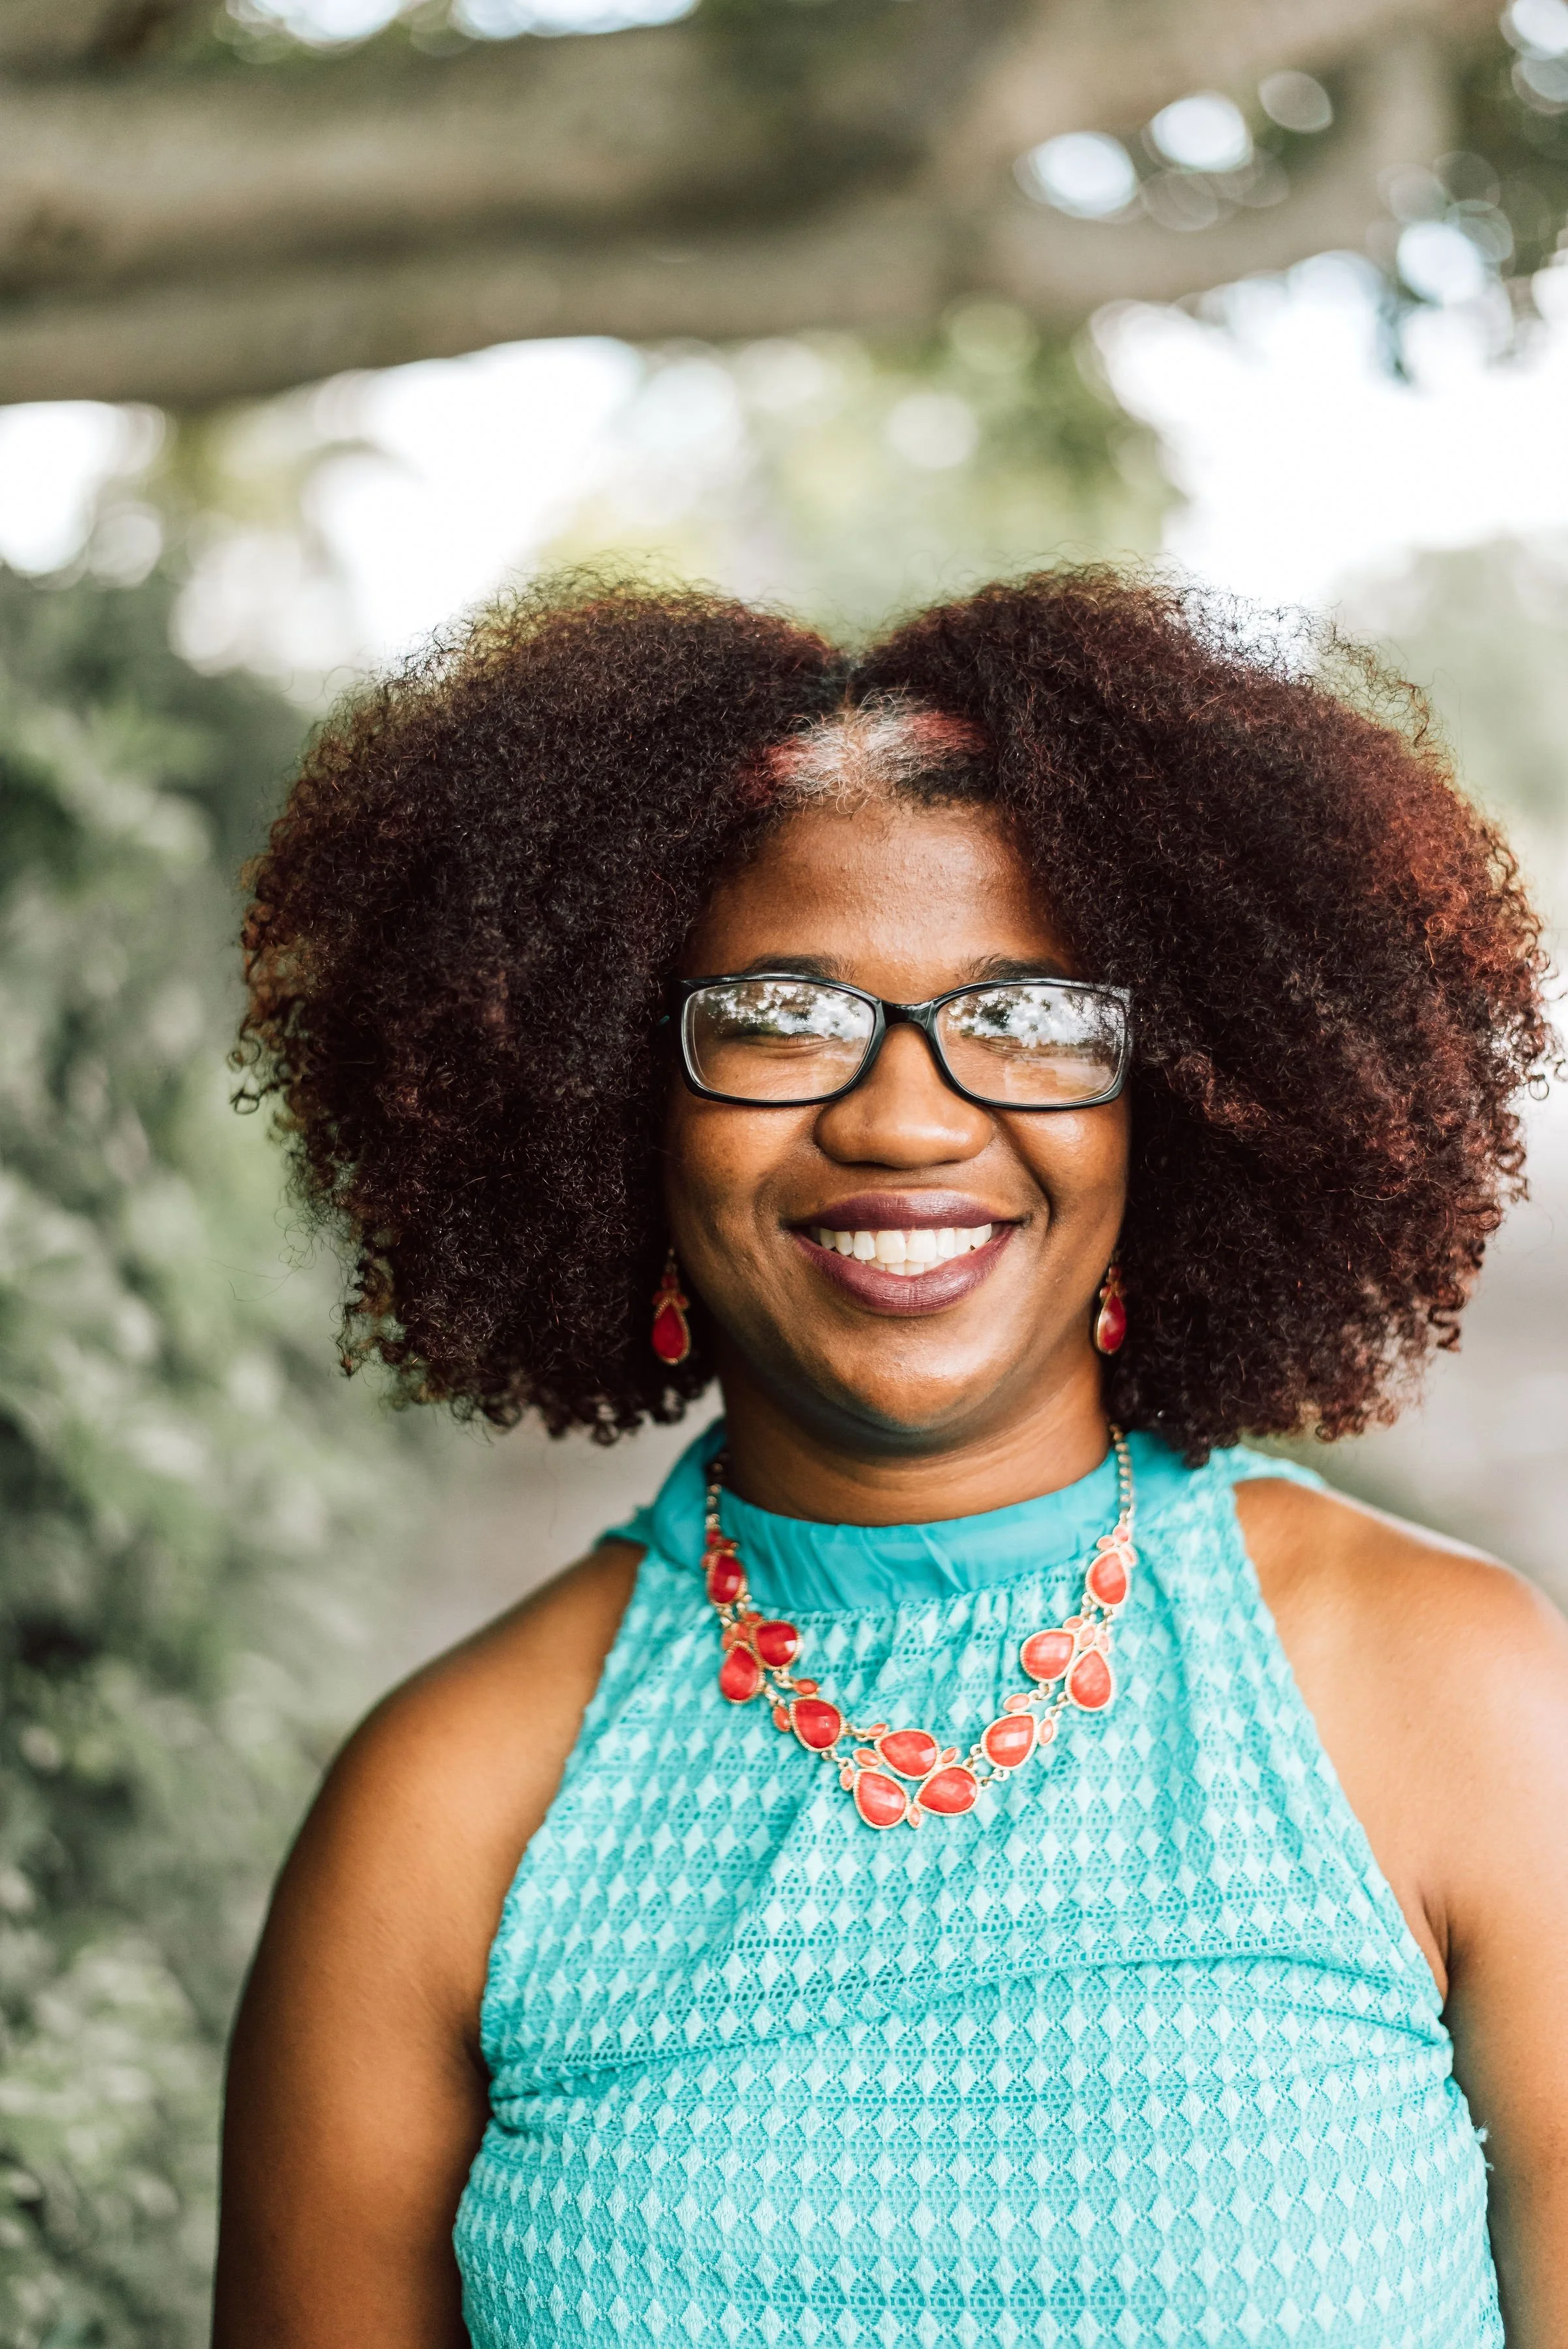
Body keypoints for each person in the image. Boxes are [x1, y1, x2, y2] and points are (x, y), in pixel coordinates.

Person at [213, 572, 1568, 2349]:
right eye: (780, 1015)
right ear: (618, 1102)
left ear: (1172, 1105)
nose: (907, 1119)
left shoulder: (1459, 1698)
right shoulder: (445, 1805)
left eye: (1030, 1019)